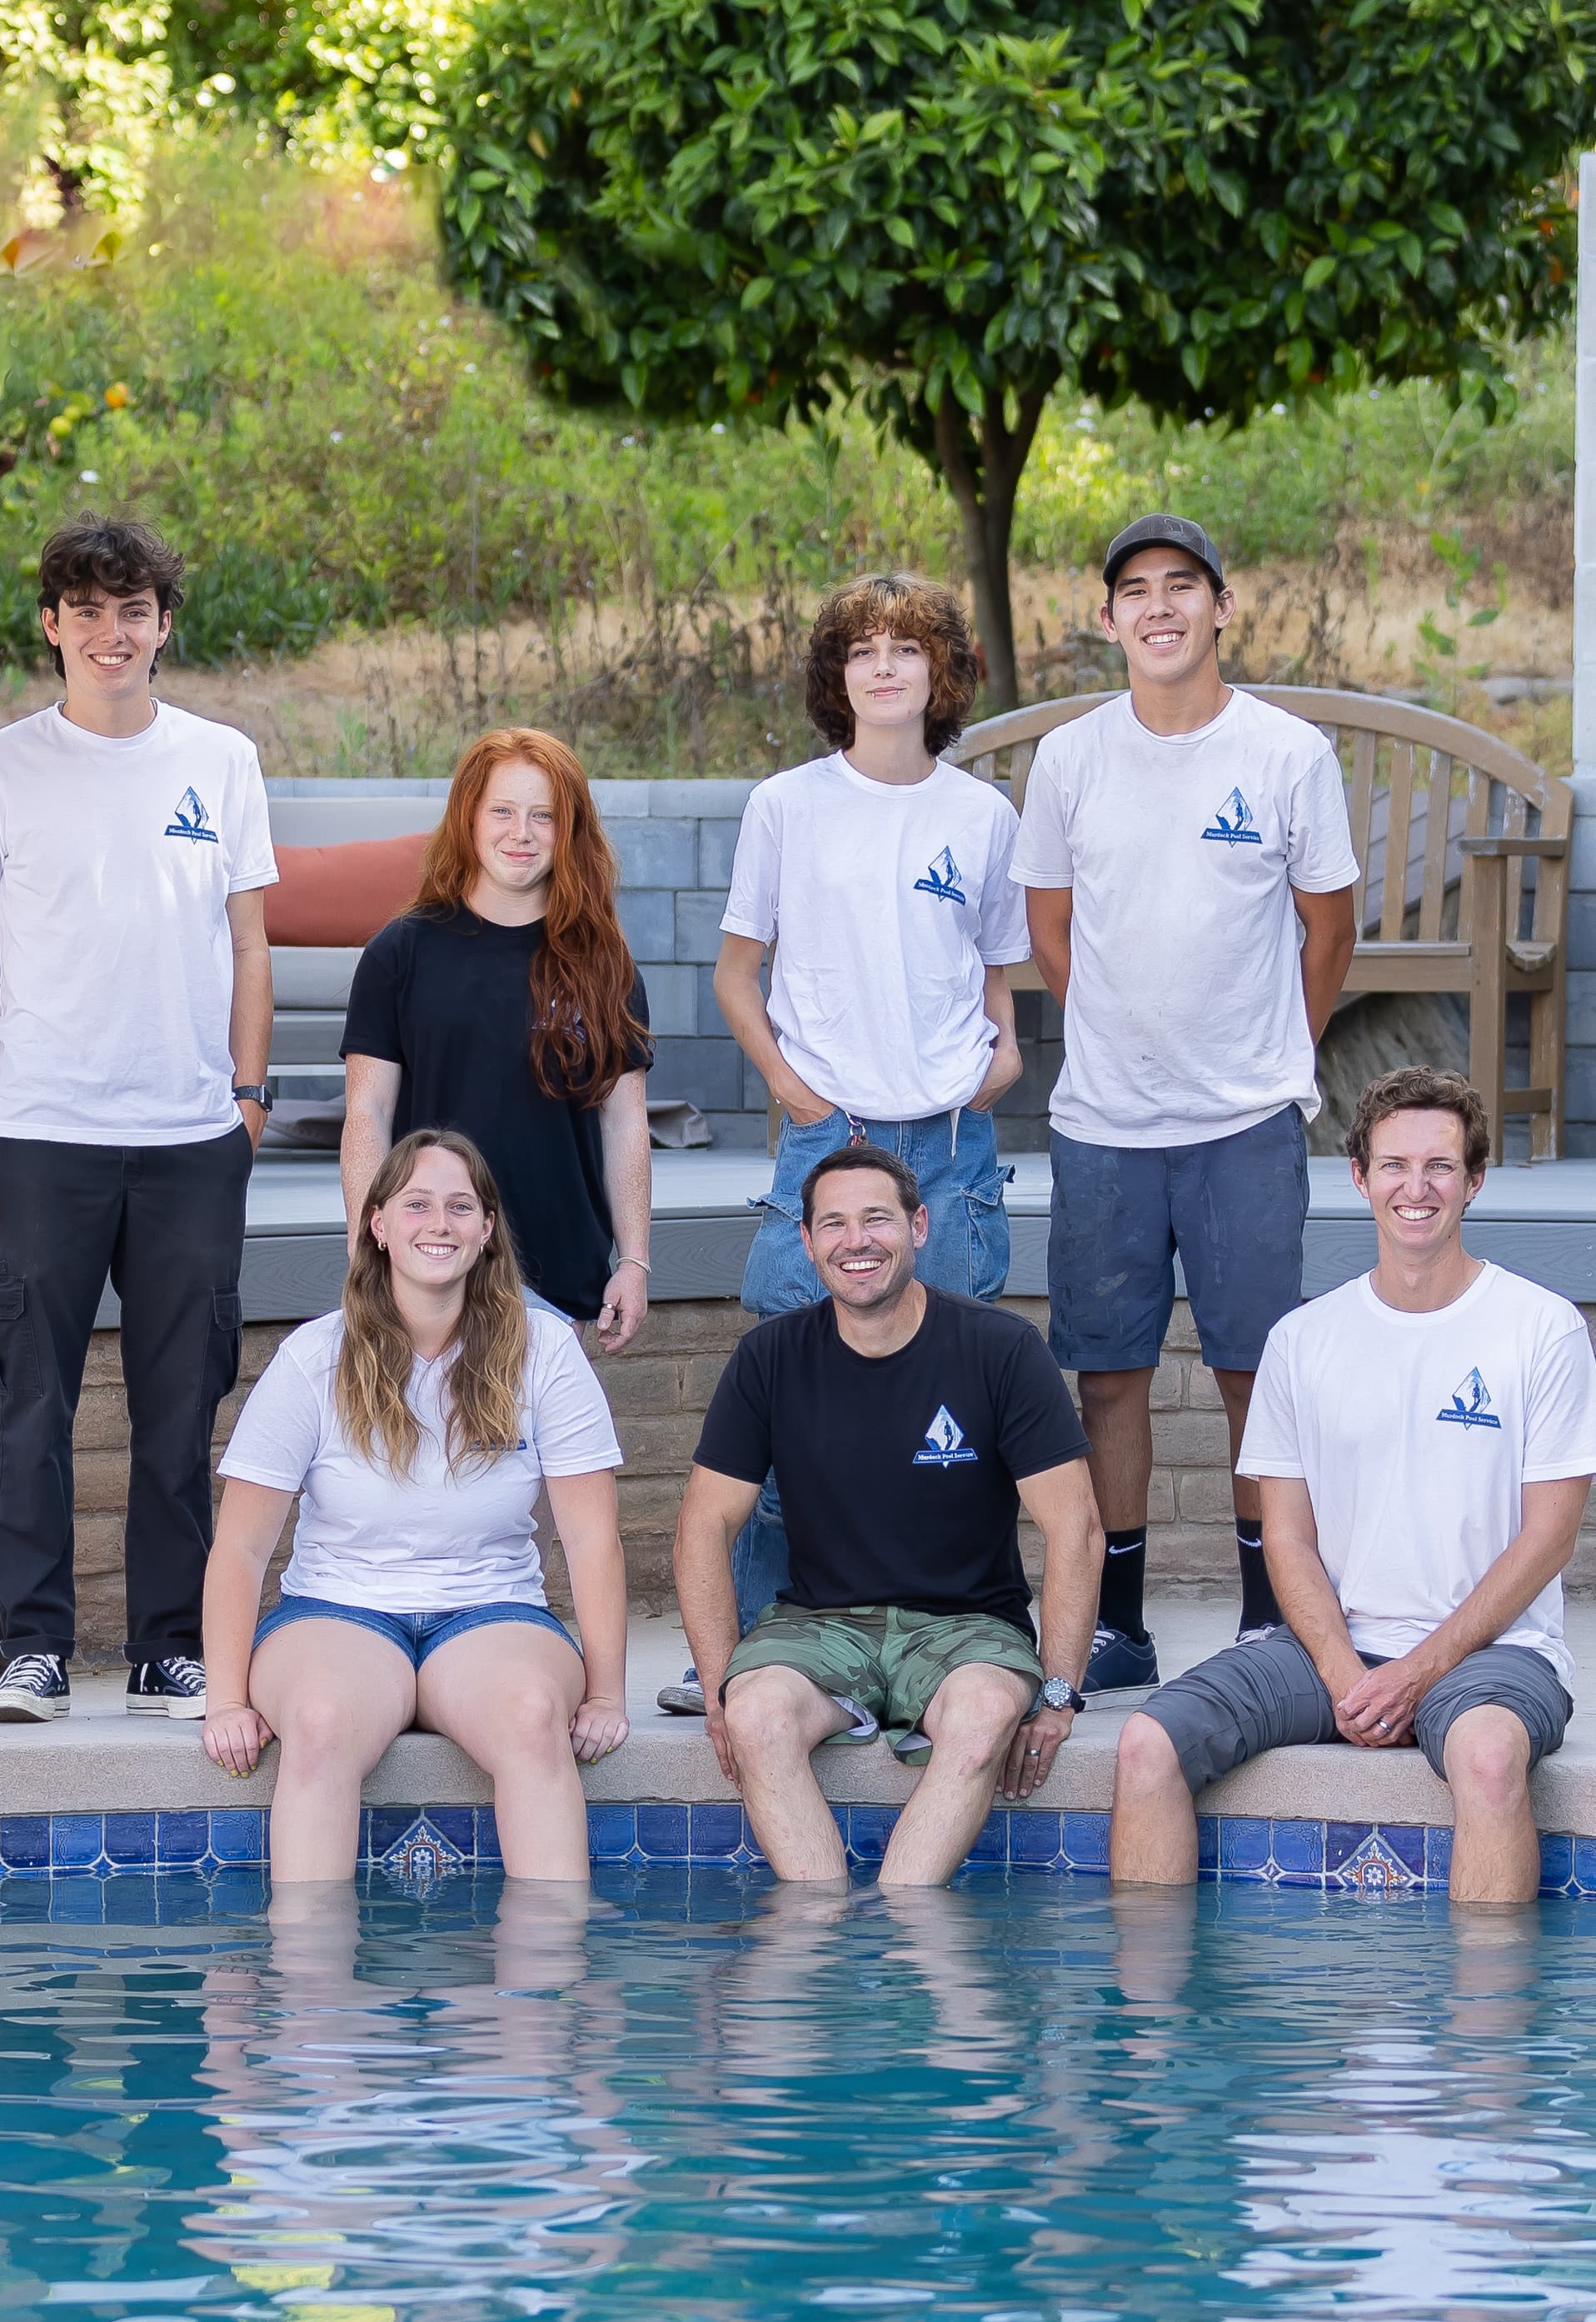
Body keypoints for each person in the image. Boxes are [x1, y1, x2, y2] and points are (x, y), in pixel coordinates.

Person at [0, 513, 276, 1724]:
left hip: (190, 1142)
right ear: (51, 626)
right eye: (86, 610)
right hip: (41, 1134)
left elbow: (246, 941)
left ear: (163, 624)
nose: (109, 633)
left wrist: (245, 1095)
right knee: (34, 1399)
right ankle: (34, 1647)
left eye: (132, 611)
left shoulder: (221, 759)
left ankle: (165, 1647)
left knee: (185, 1402)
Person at [662, 572, 1030, 1714]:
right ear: (837, 677)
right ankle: (758, 1651)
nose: (884, 665)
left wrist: (996, 1065)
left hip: (948, 1152)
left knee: (954, 1422)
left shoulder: (982, 819)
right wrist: (791, 1091)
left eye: (907, 648)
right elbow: (736, 973)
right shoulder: (789, 805)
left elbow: (1001, 989)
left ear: (943, 673)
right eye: (862, 648)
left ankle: (949, 1659)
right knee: (793, 1418)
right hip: (826, 1145)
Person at [1013, 512, 1359, 1694]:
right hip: (1106, 1125)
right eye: (1135, 591)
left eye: (1182, 586)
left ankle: (1270, 1614)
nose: (1159, 607)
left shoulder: (1286, 753)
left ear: (1221, 606)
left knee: (1254, 1374)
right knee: (1106, 1376)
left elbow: (1330, 927)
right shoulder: (1069, 761)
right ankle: (1120, 1620)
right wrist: (1123, 1030)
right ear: (1106, 619)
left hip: (1246, 1122)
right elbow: (1049, 928)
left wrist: (1274, 1047)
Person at [1110, 1068, 1596, 1907]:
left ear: (1473, 1181)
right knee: (1146, 1743)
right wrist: (1344, 1675)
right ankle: (1155, 2031)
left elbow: (1549, 1534)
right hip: (1331, 1648)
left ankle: (1483, 2034)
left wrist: (1415, 1672)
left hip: (1494, 1653)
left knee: (1486, 1759)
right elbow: (1285, 1537)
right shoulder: (1304, 1341)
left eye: (1440, 1167)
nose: (1416, 1188)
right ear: (1359, 1176)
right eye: (1394, 1165)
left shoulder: (1540, 1327)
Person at [201, 1130, 630, 1881]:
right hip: (337, 1613)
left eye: (462, 1207)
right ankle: (313, 1987)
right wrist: (226, 1701)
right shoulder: (315, 1356)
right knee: (321, 1721)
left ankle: (544, 1987)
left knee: (534, 1717)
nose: (441, 1224)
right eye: (418, 1205)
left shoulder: (547, 1350)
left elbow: (592, 1539)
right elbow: (239, 1546)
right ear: (378, 1224)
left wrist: (605, 1693)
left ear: (488, 1229)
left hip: (491, 1612)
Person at [674, 1144, 1103, 1886]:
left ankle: (907, 1942)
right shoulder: (769, 1357)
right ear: (806, 1244)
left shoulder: (1000, 1350)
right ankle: (820, 1943)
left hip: (968, 1627)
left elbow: (1078, 1530)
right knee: (756, 1717)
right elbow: (702, 1529)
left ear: (920, 1226)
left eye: (877, 1219)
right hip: (818, 1625)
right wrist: (719, 1691)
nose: (857, 1241)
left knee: (980, 1720)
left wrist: (1059, 1691)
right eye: (833, 1224)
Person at [341, 728, 652, 1352]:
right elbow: (367, 1113)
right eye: (502, 812)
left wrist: (635, 1261)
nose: (522, 833)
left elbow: (625, 1122)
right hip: (429, 1276)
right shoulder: (398, 954)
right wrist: (366, 1258)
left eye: (544, 816)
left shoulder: (603, 964)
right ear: (469, 819)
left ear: (570, 832)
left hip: (558, 1282)